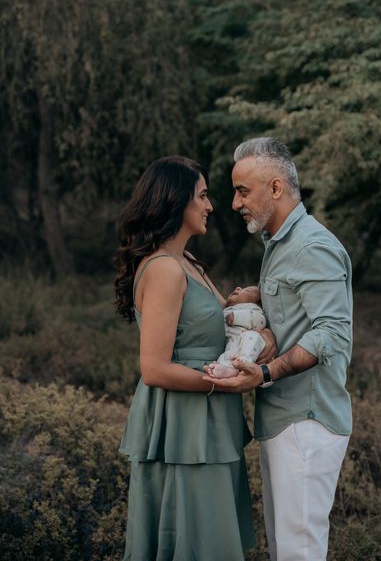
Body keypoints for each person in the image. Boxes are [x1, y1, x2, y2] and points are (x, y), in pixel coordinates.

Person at [203, 137, 352, 561]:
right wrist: (261, 298)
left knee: (298, 553)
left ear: (275, 188)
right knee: (286, 550)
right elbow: (302, 312)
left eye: (242, 191)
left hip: (306, 421)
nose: (234, 203)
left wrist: (266, 373)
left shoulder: (311, 245)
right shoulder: (281, 244)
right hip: (284, 420)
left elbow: (332, 334)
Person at [114, 156, 262, 561]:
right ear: (174, 202)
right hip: (183, 422)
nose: (210, 205)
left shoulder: (189, 263)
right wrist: (222, 382)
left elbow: (222, 329)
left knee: (211, 539)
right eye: (202, 196)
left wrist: (254, 304)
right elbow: (154, 368)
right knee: (193, 539)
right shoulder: (164, 269)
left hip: (210, 416)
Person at [205, 285, 267, 378]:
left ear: (257, 303)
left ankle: (245, 362)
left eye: (248, 291)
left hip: (245, 342)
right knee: (225, 357)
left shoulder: (253, 309)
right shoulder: (225, 309)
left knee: (253, 337)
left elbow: (260, 321)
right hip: (232, 344)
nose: (238, 288)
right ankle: (227, 370)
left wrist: (236, 317)